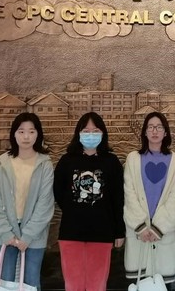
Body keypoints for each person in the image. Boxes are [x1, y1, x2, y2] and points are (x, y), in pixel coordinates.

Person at [53, 112, 125, 291]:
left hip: (102, 233)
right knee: (73, 285)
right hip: (71, 232)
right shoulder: (67, 160)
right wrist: (74, 209)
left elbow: (118, 198)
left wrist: (119, 231)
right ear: (78, 133)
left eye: (95, 130)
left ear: (103, 133)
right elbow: (58, 191)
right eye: (86, 131)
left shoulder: (111, 161)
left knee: (97, 285)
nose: (91, 134)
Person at [0, 112, 55, 291]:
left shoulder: (45, 164)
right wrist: (6, 233)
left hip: (34, 233)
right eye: (21, 131)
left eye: (31, 131)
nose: (26, 136)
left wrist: (28, 236)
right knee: (4, 282)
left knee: (31, 282)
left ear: (38, 134)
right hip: (4, 232)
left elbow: (45, 204)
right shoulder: (1, 164)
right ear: (14, 134)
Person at [123, 112, 175, 284]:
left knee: (161, 283)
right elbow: (129, 194)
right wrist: (141, 226)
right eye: (150, 127)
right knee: (139, 282)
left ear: (166, 132)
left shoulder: (174, 160)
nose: (155, 131)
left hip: (163, 233)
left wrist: (159, 227)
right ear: (144, 132)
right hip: (139, 233)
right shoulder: (133, 159)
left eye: (159, 127)